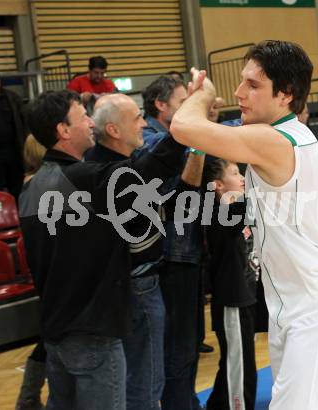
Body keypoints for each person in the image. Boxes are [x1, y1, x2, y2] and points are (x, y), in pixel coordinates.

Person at [170, 40, 318, 410]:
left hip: (315, 303)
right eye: (242, 82)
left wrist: (202, 96)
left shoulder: (274, 140)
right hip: (293, 301)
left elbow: (182, 126)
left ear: (286, 94)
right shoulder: (291, 132)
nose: (239, 93)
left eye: (253, 85)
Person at [19, 90, 188, 410]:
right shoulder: (83, 179)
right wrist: (183, 128)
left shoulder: (31, 186)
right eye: (81, 116)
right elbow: (149, 173)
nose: (89, 122)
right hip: (92, 329)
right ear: (63, 131)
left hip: (57, 330)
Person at [85, 93, 205, 410]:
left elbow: (174, 205)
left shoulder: (119, 165)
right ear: (113, 129)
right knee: (146, 382)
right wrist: (194, 118)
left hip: (139, 283)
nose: (142, 123)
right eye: (136, 117)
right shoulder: (108, 172)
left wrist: (197, 146)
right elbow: (161, 161)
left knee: (141, 377)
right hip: (135, 285)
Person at [134, 75, 205, 410]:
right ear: (160, 105)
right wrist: (199, 140)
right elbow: (177, 199)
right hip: (169, 256)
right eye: (182, 103)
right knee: (177, 351)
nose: (188, 112)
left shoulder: (173, 136)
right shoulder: (148, 141)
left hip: (187, 249)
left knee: (189, 347)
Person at [203, 158, 258, 410]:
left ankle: (216, 405)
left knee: (236, 362)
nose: (242, 178)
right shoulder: (218, 214)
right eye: (235, 173)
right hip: (232, 301)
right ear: (218, 186)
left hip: (244, 297)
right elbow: (258, 200)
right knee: (240, 369)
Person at [15, 134, 47, 410]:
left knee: (51, 334)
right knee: (51, 335)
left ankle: (29, 396)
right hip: (45, 266)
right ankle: (27, 396)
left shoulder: (31, 182)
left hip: (43, 265)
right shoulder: (35, 184)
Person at [0, 67, 27, 199]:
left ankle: (19, 216)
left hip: (14, 154)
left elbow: (25, 123)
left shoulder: (13, 98)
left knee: (18, 189)